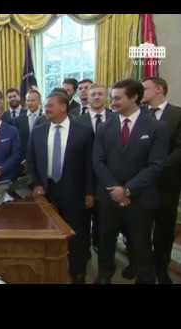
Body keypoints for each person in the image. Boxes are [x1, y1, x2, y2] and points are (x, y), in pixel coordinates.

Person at [93, 79, 169, 284]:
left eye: (117, 98)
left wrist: (127, 190)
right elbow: (98, 161)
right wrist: (115, 189)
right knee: (106, 241)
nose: (113, 102)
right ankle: (104, 275)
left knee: (140, 245)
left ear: (134, 97)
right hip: (109, 198)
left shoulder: (156, 127)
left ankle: (145, 278)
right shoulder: (104, 126)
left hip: (141, 200)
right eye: (112, 97)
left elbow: (155, 165)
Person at [28, 90, 94, 283]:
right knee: (47, 234)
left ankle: (77, 273)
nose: (46, 108)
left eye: (50, 105)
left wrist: (90, 192)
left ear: (63, 107)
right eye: (46, 105)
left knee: (77, 235)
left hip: (75, 192)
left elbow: (90, 165)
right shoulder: (38, 130)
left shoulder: (83, 130)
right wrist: (36, 184)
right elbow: (30, 161)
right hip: (46, 192)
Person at [141, 76, 181, 284]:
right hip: (140, 185)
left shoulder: (180, 115)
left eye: (145, 88)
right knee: (139, 231)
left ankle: (161, 269)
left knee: (164, 231)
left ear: (159, 89)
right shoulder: (138, 114)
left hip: (167, 184)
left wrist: (156, 168)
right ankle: (143, 270)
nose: (140, 92)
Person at [74, 83, 114, 254]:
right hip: (83, 178)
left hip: (109, 178)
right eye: (93, 94)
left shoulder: (116, 118)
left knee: (105, 222)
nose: (97, 97)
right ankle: (85, 252)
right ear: (87, 98)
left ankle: (102, 249)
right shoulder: (76, 121)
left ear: (106, 97)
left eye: (100, 94)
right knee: (83, 219)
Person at [14, 88, 46, 163]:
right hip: (23, 160)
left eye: (33, 100)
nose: (30, 103)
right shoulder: (18, 120)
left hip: (42, 158)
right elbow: (17, 143)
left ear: (39, 101)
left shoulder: (46, 118)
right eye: (28, 100)